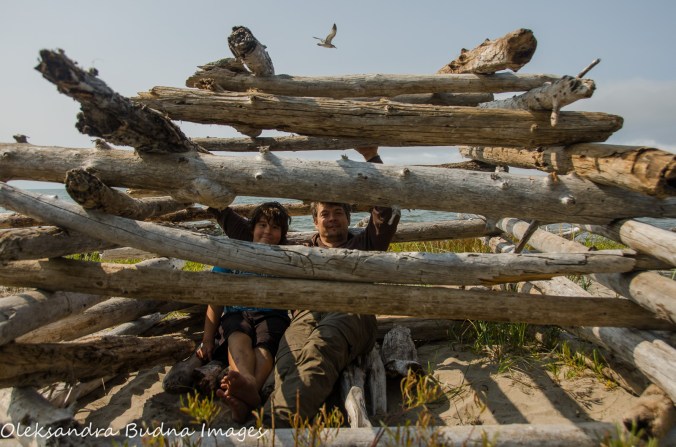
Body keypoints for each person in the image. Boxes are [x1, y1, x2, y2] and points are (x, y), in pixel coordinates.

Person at [261, 145, 401, 426]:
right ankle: (285, 418)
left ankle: (275, 425)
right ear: (315, 221)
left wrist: (371, 156)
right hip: (304, 316)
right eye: (325, 213)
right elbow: (251, 234)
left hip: (353, 315)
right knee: (289, 359)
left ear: (349, 218)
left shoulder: (365, 242)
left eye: (338, 212)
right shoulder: (301, 249)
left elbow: (387, 206)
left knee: (320, 347)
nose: (332, 218)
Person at [197, 201, 292, 423]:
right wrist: (207, 339)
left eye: (275, 228)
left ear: (283, 234)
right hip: (237, 314)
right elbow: (216, 299)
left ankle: (247, 390)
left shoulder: (285, 259)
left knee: (266, 341)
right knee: (237, 335)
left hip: (273, 316)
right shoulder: (234, 253)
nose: (267, 231)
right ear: (251, 228)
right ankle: (249, 385)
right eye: (262, 225)